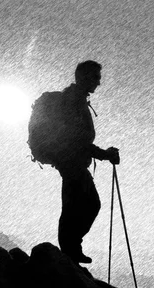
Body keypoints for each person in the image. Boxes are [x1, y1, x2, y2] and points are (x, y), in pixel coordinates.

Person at [56, 60, 120, 264]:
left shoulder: (76, 100)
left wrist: (104, 153)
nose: (98, 83)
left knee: (75, 206)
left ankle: (70, 251)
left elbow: (78, 140)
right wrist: (105, 154)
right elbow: (77, 140)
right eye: (96, 77)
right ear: (83, 77)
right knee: (87, 205)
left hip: (70, 162)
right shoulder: (74, 102)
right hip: (71, 162)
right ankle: (70, 251)